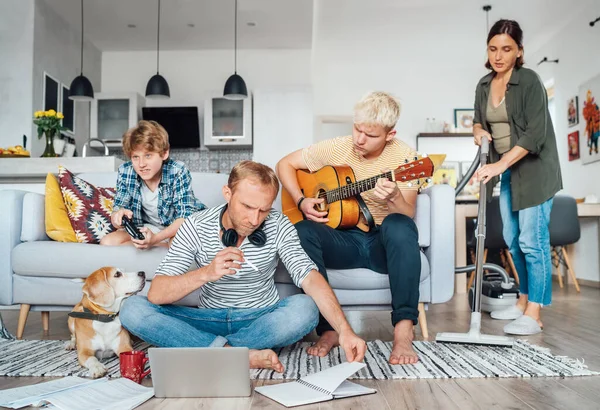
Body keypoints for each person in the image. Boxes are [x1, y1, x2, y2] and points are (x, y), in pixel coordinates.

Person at [119, 161, 366, 372]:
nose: (254, 220)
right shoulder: (195, 225)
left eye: (264, 210)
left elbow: (309, 277)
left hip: (260, 320)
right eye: (247, 207)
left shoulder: (279, 225)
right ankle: (237, 354)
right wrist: (207, 273)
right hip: (207, 317)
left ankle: (213, 351)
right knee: (132, 308)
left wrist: (344, 330)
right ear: (227, 193)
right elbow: (157, 293)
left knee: (306, 308)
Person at [276, 91, 422, 365]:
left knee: (399, 223)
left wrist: (394, 198)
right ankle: (329, 329)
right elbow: (284, 164)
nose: (359, 139)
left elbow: (409, 213)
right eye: (357, 129)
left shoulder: (406, 158)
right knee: (303, 230)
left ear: (390, 135)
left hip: (382, 245)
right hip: (344, 242)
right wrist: (301, 199)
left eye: (371, 134)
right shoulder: (336, 147)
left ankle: (403, 330)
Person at [472, 19, 562, 335]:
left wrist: (498, 166)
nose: (499, 55)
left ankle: (535, 312)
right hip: (509, 172)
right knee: (513, 239)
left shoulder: (530, 81)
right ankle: (522, 301)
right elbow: (477, 122)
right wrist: (479, 130)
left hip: (535, 171)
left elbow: (536, 135)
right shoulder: (484, 85)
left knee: (532, 241)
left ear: (519, 51)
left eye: (507, 49)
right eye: (493, 48)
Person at [101, 120, 204, 249]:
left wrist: (155, 239)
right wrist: (118, 217)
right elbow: (118, 209)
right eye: (135, 157)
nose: (141, 164)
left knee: (178, 244)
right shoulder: (125, 171)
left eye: (148, 155)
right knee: (108, 242)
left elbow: (185, 218)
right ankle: (155, 245)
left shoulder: (177, 170)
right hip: (148, 228)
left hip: (177, 227)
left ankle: (158, 245)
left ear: (164, 153)